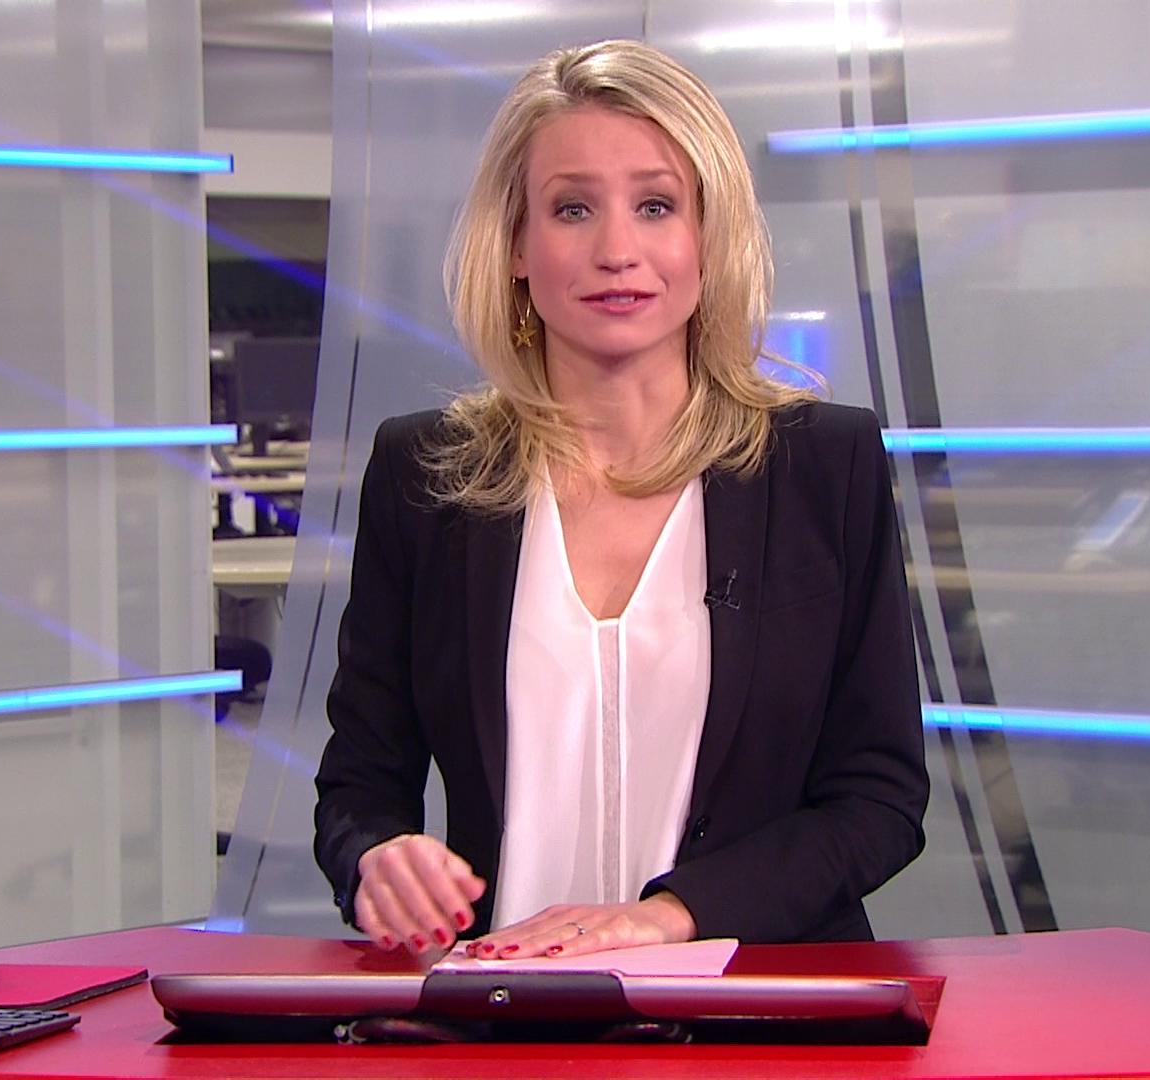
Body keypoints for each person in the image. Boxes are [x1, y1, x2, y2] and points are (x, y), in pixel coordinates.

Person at [313, 39, 928, 960]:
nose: (616, 251)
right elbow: (360, 783)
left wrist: (664, 917)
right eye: (572, 209)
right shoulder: (425, 476)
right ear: (515, 245)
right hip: (503, 1002)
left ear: (707, 237)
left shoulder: (822, 466)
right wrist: (377, 857)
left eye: (655, 206)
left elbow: (878, 798)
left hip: (753, 1001)